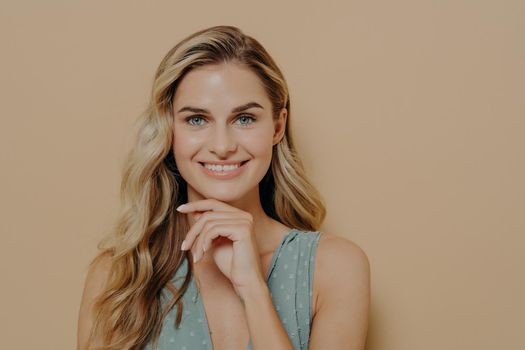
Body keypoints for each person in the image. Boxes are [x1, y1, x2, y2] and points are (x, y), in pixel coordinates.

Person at [77, 25, 370, 350]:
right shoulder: (119, 275)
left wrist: (252, 288)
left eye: (244, 118)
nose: (222, 145)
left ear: (277, 126)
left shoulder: (334, 267)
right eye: (197, 119)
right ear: (169, 131)